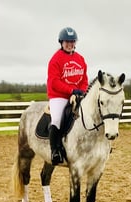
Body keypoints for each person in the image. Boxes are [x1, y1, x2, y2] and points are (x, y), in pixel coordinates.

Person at [47, 27, 88, 165]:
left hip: (77, 94)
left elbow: (84, 80)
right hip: (59, 95)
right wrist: (71, 91)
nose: (70, 44)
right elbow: (54, 82)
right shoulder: (55, 59)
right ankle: (55, 151)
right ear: (61, 42)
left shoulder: (80, 59)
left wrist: (80, 91)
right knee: (57, 118)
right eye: (67, 41)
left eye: (72, 41)